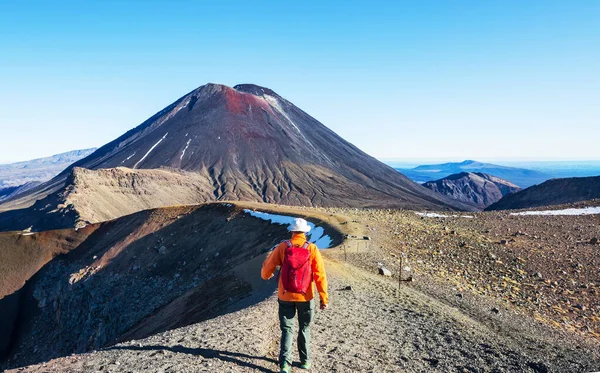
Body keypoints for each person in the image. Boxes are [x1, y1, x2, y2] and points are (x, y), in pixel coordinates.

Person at [261, 217, 329, 373]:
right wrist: (323, 298)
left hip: (285, 295)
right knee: (304, 328)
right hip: (306, 297)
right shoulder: (312, 248)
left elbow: (267, 267)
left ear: (292, 231)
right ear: (305, 232)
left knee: (287, 329)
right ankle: (305, 361)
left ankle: (285, 363)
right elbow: (320, 275)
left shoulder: (283, 247)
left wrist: (266, 276)